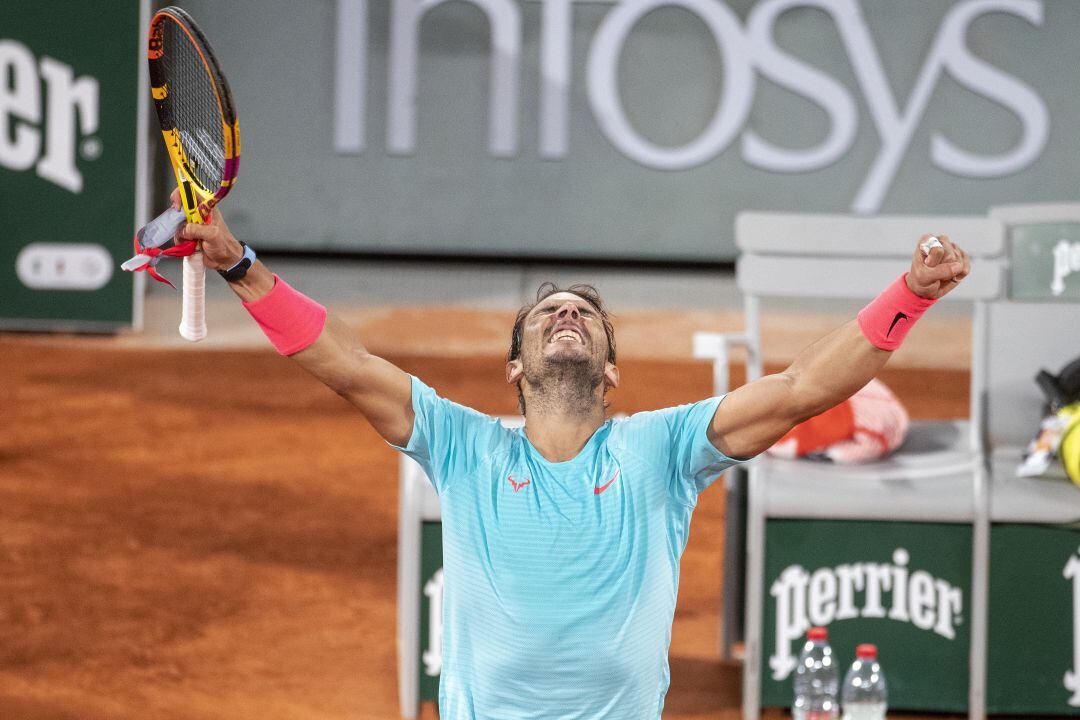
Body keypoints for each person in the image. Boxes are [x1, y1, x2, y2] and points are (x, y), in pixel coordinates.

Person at [172, 193, 970, 719]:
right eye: (548, 310)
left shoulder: (663, 447)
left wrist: (911, 295)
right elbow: (343, 362)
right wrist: (242, 267)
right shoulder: (462, 444)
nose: (566, 312)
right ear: (515, 366)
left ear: (612, 371)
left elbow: (802, 388)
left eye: (584, 312)